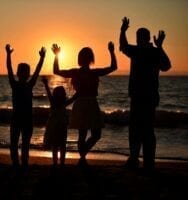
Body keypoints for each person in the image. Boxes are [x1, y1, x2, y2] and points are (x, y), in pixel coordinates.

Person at [52, 42, 117, 166]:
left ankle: (82, 154)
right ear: (90, 59)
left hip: (85, 103)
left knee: (88, 134)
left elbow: (56, 70)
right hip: (87, 103)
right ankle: (82, 156)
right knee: (92, 134)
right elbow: (113, 67)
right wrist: (111, 52)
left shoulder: (84, 72)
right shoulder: (89, 72)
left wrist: (56, 55)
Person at [119, 17, 171, 170]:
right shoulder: (142, 51)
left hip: (145, 98)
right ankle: (138, 160)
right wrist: (122, 31)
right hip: (142, 97)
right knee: (140, 130)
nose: (139, 40)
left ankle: (145, 161)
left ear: (146, 38)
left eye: (140, 37)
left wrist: (160, 47)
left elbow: (167, 66)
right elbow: (123, 46)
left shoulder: (147, 52)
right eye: (138, 38)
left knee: (142, 130)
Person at [5, 44, 46, 171]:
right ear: (19, 74)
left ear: (27, 74)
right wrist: (8, 54)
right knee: (15, 143)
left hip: (26, 119)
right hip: (18, 118)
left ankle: (23, 164)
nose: (24, 74)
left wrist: (42, 58)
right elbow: (9, 69)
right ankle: (17, 164)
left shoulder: (28, 84)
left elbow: (37, 71)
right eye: (22, 72)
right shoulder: (15, 84)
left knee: (24, 144)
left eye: (26, 72)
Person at [41, 77, 77, 167]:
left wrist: (80, 90)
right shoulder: (53, 102)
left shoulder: (63, 103)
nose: (60, 95)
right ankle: (56, 162)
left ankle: (61, 162)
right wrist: (45, 84)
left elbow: (74, 98)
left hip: (62, 126)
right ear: (56, 95)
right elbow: (49, 94)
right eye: (59, 93)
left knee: (61, 145)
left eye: (61, 93)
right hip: (54, 127)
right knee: (56, 146)